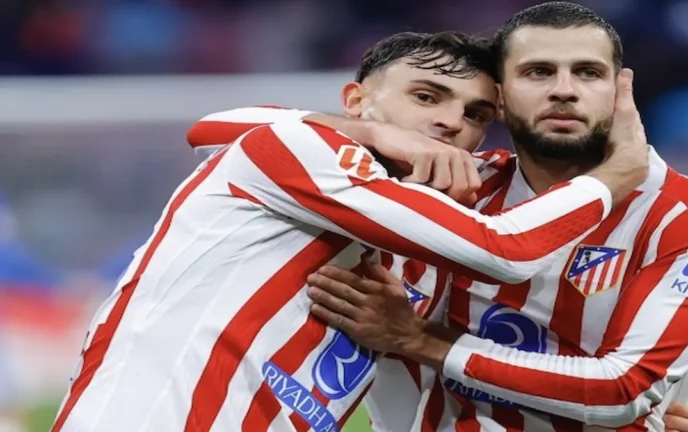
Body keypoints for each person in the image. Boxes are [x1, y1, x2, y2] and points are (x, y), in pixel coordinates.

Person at [51, 31, 648, 432]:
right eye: (426, 96)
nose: (449, 122)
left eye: (475, 115)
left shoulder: (410, 243)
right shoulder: (301, 146)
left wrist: (602, 416)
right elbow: (508, 251)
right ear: (356, 101)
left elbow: (452, 363)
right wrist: (615, 175)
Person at [184, 13, 688, 432]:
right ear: (503, 102)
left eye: (587, 72)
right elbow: (214, 129)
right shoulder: (448, 187)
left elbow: (623, 389)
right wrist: (378, 134)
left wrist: (421, 341)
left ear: (619, 89)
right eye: (538, 72)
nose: (563, 89)